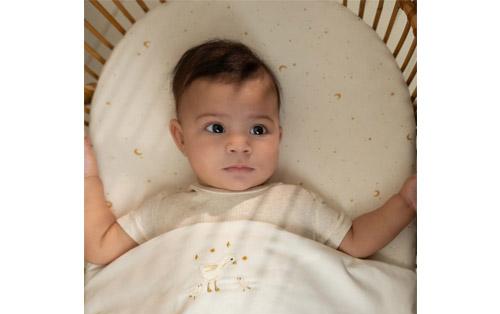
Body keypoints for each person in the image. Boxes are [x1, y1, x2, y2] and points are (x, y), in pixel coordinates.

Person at [84, 39, 416, 266]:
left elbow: (357, 242)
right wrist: (87, 178)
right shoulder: (167, 209)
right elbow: (100, 247)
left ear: (279, 137)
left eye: (258, 130)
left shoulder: (295, 202)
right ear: (180, 138)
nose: (239, 144)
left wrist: (406, 202)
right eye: (216, 128)